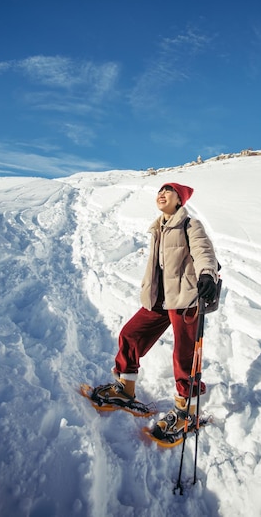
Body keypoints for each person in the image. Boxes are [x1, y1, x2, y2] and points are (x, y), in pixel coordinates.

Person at [91, 182, 219, 440]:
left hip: (185, 299)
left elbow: (204, 252)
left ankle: (187, 410)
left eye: (168, 191)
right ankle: (125, 387)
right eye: (160, 191)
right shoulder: (158, 226)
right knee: (131, 335)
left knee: (184, 355)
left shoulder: (189, 225)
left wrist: (207, 273)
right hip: (159, 299)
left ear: (179, 200)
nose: (161, 194)